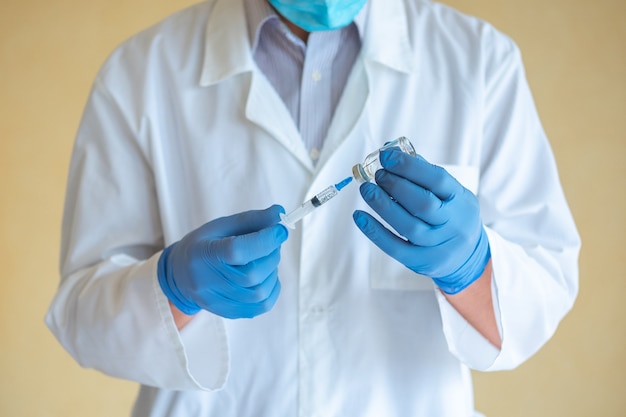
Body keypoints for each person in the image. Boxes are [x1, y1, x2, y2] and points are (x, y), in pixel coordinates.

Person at [46, 0, 580, 415]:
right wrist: (173, 289)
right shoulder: (142, 73)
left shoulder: (479, 61)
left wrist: (473, 267)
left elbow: (545, 288)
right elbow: (80, 317)